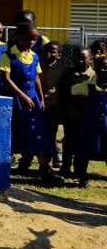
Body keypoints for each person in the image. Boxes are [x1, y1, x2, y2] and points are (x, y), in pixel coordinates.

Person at [0, 21, 63, 186]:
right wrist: (22, 96)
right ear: (18, 37)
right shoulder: (8, 55)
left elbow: (36, 78)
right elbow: (6, 80)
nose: (31, 42)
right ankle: (1, 169)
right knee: (15, 133)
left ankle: (44, 169)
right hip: (16, 101)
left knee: (37, 133)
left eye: (34, 39)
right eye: (28, 39)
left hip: (32, 101)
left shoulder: (34, 56)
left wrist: (40, 98)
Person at [68, 56, 107, 188]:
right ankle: (82, 177)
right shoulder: (87, 86)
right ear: (95, 68)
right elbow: (73, 90)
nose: (103, 70)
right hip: (90, 124)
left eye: (106, 67)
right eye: (100, 67)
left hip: (106, 125)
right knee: (85, 150)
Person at [60, 47, 94, 176]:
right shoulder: (68, 74)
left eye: (82, 58)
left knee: (82, 142)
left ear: (90, 59)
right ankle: (65, 166)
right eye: (76, 57)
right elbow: (63, 92)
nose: (79, 60)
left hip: (86, 115)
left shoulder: (94, 76)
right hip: (70, 114)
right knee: (68, 140)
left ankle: (79, 169)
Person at [39, 41, 66, 169]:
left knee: (52, 132)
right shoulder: (37, 65)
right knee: (37, 131)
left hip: (53, 106)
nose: (48, 53)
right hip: (38, 105)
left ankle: (55, 153)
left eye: (52, 52)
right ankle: (30, 158)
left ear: (59, 55)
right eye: (46, 50)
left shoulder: (62, 70)